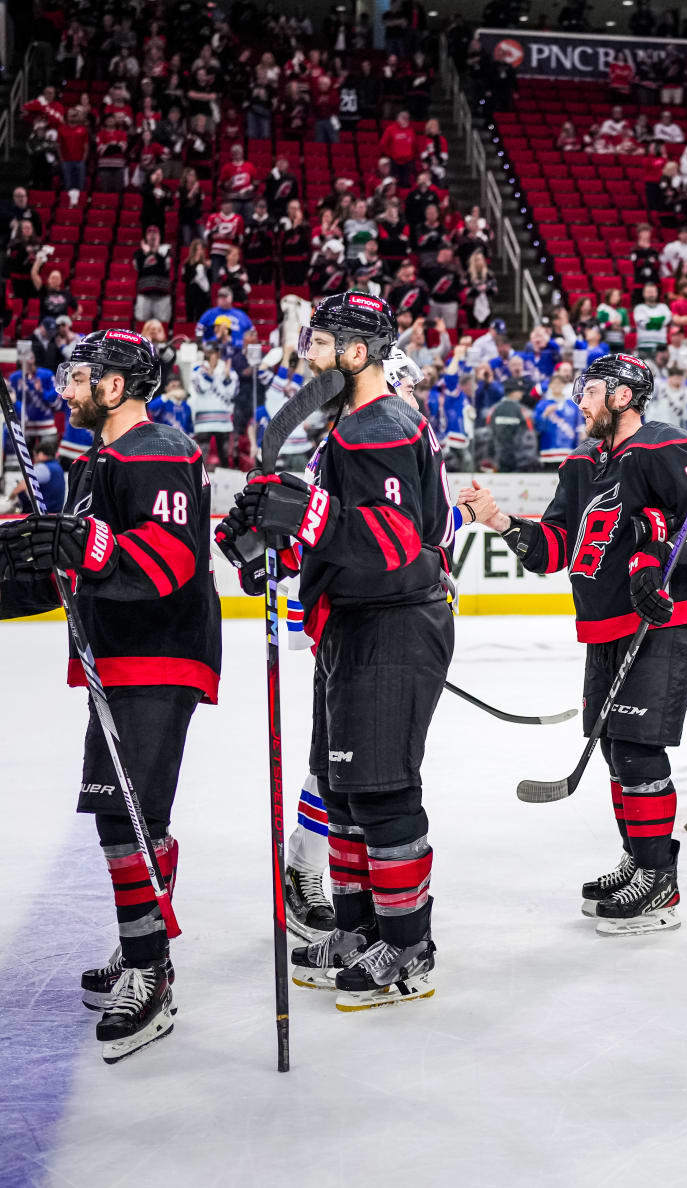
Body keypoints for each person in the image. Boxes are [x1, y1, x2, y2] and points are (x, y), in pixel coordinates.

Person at [0, 330, 218, 1064]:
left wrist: (83, 547)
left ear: (116, 387)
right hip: (120, 655)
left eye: (78, 379)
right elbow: (70, 570)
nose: (64, 391)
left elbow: (169, 560)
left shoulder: (159, 449)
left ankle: (150, 970)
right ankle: (139, 944)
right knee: (132, 815)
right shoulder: (97, 462)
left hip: (159, 653)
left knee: (124, 817)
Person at [221, 292, 453, 1007]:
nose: (306, 355)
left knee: (382, 791)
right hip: (353, 622)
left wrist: (307, 512)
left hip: (392, 620)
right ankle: (359, 928)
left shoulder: (380, 424)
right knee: (346, 790)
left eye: (319, 343)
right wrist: (267, 539)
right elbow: (337, 534)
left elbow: (390, 543)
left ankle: (407, 945)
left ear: (356, 354)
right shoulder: (351, 428)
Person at [462, 354, 687, 936]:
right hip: (605, 630)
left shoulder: (667, 447)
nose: (578, 402)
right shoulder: (582, 464)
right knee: (615, 749)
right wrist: (502, 522)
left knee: (638, 749)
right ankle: (638, 859)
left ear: (621, 396)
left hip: (665, 622)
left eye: (588, 392)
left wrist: (660, 557)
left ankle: (658, 878)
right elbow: (553, 548)